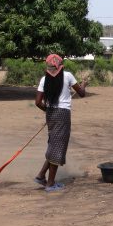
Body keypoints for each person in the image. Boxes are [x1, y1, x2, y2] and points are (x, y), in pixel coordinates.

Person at [34, 54, 87, 192]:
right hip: (63, 114)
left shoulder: (44, 79)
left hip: (51, 114)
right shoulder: (68, 76)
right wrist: (83, 85)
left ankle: (41, 176)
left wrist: (48, 111)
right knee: (57, 147)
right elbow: (81, 93)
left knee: (54, 144)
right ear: (61, 66)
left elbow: (38, 102)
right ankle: (50, 184)